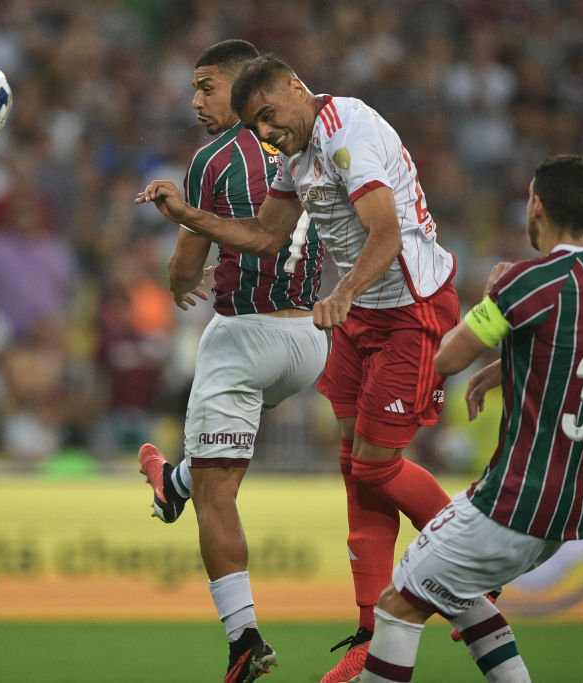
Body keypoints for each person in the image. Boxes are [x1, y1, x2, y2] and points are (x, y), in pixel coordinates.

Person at [137, 55, 457, 682]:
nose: (268, 131)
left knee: (346, 470)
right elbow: (263, 235)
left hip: (389, 310)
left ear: (291, 88)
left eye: (270, 115)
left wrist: (337, 295)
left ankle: (459, 566)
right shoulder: (292, 152)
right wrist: (186, 216)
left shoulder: (334, 137)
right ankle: (370, 632)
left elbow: (384, 234)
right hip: (337, 327)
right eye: (257, 124)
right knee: (353, 470)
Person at [358, 155, 583, 682]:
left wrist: (491, 295)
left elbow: (448, 359)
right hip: (567, 508)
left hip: (513, 500)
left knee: (397, 602)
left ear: (536, 205)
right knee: (458, 594)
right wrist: (507, 367)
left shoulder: (528, 282)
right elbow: (579, 349)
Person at [136, 40, 329, 683]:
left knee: (220, 494)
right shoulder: (312, 139)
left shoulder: (214, 157)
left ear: (244, 85)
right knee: (210, 464)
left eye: (207, 87)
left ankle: (244, 639)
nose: (196, 102)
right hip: (311, 341)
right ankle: (174, 483)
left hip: (245, 337)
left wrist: (174, 279)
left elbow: (186, 264)